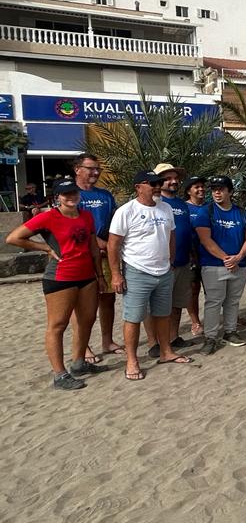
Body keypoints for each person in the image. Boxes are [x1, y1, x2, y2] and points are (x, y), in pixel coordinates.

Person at [6, 179, 108, 389]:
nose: (71, 197)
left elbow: (94, 249)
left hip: (87, 275)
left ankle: (79, 363)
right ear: (57, 197)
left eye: (73, 193)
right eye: (65, 194)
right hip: (60, 277)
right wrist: (44, 248)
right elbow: (14, 238)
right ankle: (60, 374)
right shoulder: (49, 217)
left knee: (86, 320)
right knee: (57, 325)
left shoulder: (86, 216)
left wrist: (100, 276)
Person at [108, 171, 192, 381]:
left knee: (163, 315)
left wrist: (170, 262)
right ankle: (132, 360)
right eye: (152, 183)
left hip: (163, 272)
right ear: (138, 187)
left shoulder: (166, 208)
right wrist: (116, 274)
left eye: (158, 183)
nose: (157, 187)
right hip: (137, 271)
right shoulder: (126, 211)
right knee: (133, 318)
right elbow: (113, 244)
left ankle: (166, 351)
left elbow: (171, 236)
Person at [192, 175, 246, 354]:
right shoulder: (207, 211)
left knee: (233, 301)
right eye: (214, 189)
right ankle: (210, 337)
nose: (217, 192)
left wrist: (239, 257)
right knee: (213, 302)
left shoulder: (241, 212)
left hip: (238, 265)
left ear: (230, 191)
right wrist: (227, 258)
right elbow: (205, 239)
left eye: (221, 189)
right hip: (214, 265)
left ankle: (230, 331)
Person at [73, 152, 119, 361]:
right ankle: (84, 347)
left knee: (108, 299)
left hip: (106, 254)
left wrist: (110, 246)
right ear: (78, 169)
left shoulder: (106, 196)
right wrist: (103, 245)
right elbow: (75, 227)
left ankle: (107, 341)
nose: (96, 172)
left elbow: (115, 224)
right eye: (91, 168)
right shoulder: (70, 195)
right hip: (82, 256)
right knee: (84, 305)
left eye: (97, 168)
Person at [153, 164, 202, 351]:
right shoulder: (155, 202)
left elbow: (187, 232)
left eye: (175, 178)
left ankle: (173, 337)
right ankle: (156, 342)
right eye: (167, 178)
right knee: (159, 305)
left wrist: (191, 256)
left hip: (183, 261)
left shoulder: (182, 204)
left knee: (177, 303)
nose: (173, 181)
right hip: (162, 264)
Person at [184, 176, 207, 338]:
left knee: (215, 289)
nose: (200, 189)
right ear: (188, 191)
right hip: (190, 255)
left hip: (209, 253)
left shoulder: (210, 207)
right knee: (193, 289)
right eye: (196, 187)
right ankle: (195, 321)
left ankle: (230, 316)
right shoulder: (184, 208)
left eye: (202, 186)